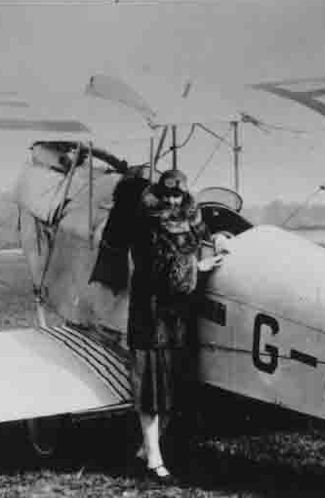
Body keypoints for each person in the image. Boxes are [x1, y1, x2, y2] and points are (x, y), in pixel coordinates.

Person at [126, 169, 223, 480]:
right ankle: (154, 458)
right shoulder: (147, 222)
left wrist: (216, 238)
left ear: (184, 196)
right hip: (151, 316)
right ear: (159, 192)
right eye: (166, 194)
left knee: (169, 391)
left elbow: (200, 237)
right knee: (151, 391)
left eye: (176, 194)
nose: (171, 199)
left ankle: (146, 449)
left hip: (176, 319)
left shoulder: (190, 220)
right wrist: (200, 265)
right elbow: (167, 273)